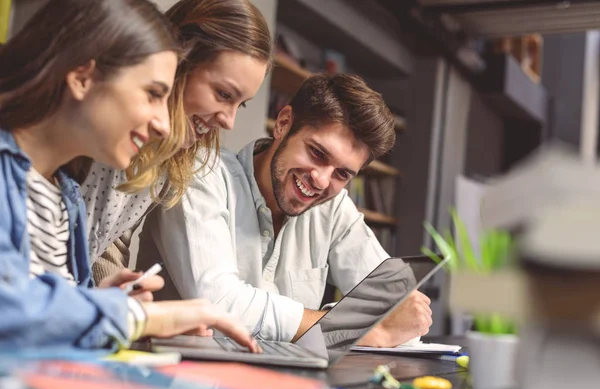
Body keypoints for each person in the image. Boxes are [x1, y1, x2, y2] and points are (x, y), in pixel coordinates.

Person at [0, 0, 258, 351]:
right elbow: (12, 310)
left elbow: (40, 298)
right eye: (153, 94)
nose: (164, 122)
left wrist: (97, 302)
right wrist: (137, 318)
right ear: (82, 76)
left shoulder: (65, 198)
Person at [138, 74, 433, 346]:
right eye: (317, 153)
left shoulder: (335, 208)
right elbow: (220, 304)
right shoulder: (200, 171)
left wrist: (364, 327)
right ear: (283, 123)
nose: (321, 180)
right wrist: (361, 330)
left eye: (342, 174)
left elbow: (403, 317)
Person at [79, 0, 271, 281]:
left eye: (240, 104)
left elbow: (104, 244)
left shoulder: (170, 155)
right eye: (224, 94)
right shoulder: (99, 130)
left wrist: (118, 295)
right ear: (180, 61)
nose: (228, 121)